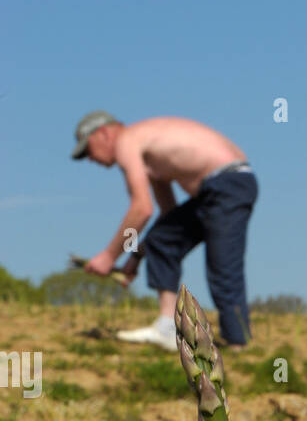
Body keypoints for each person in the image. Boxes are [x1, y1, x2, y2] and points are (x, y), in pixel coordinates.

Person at [71, 111, 258, 351]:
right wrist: (135, 257)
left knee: (223, 265)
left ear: (103, 133)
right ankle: (166, 327)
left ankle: (237, 343)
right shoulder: (149, 154)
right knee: (162, 240)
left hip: (228, 184)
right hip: (220, 188)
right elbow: (167, 215)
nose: (90, 159)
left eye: (88, 150)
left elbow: (141, 209)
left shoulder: (127, 142)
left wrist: (108, 256)